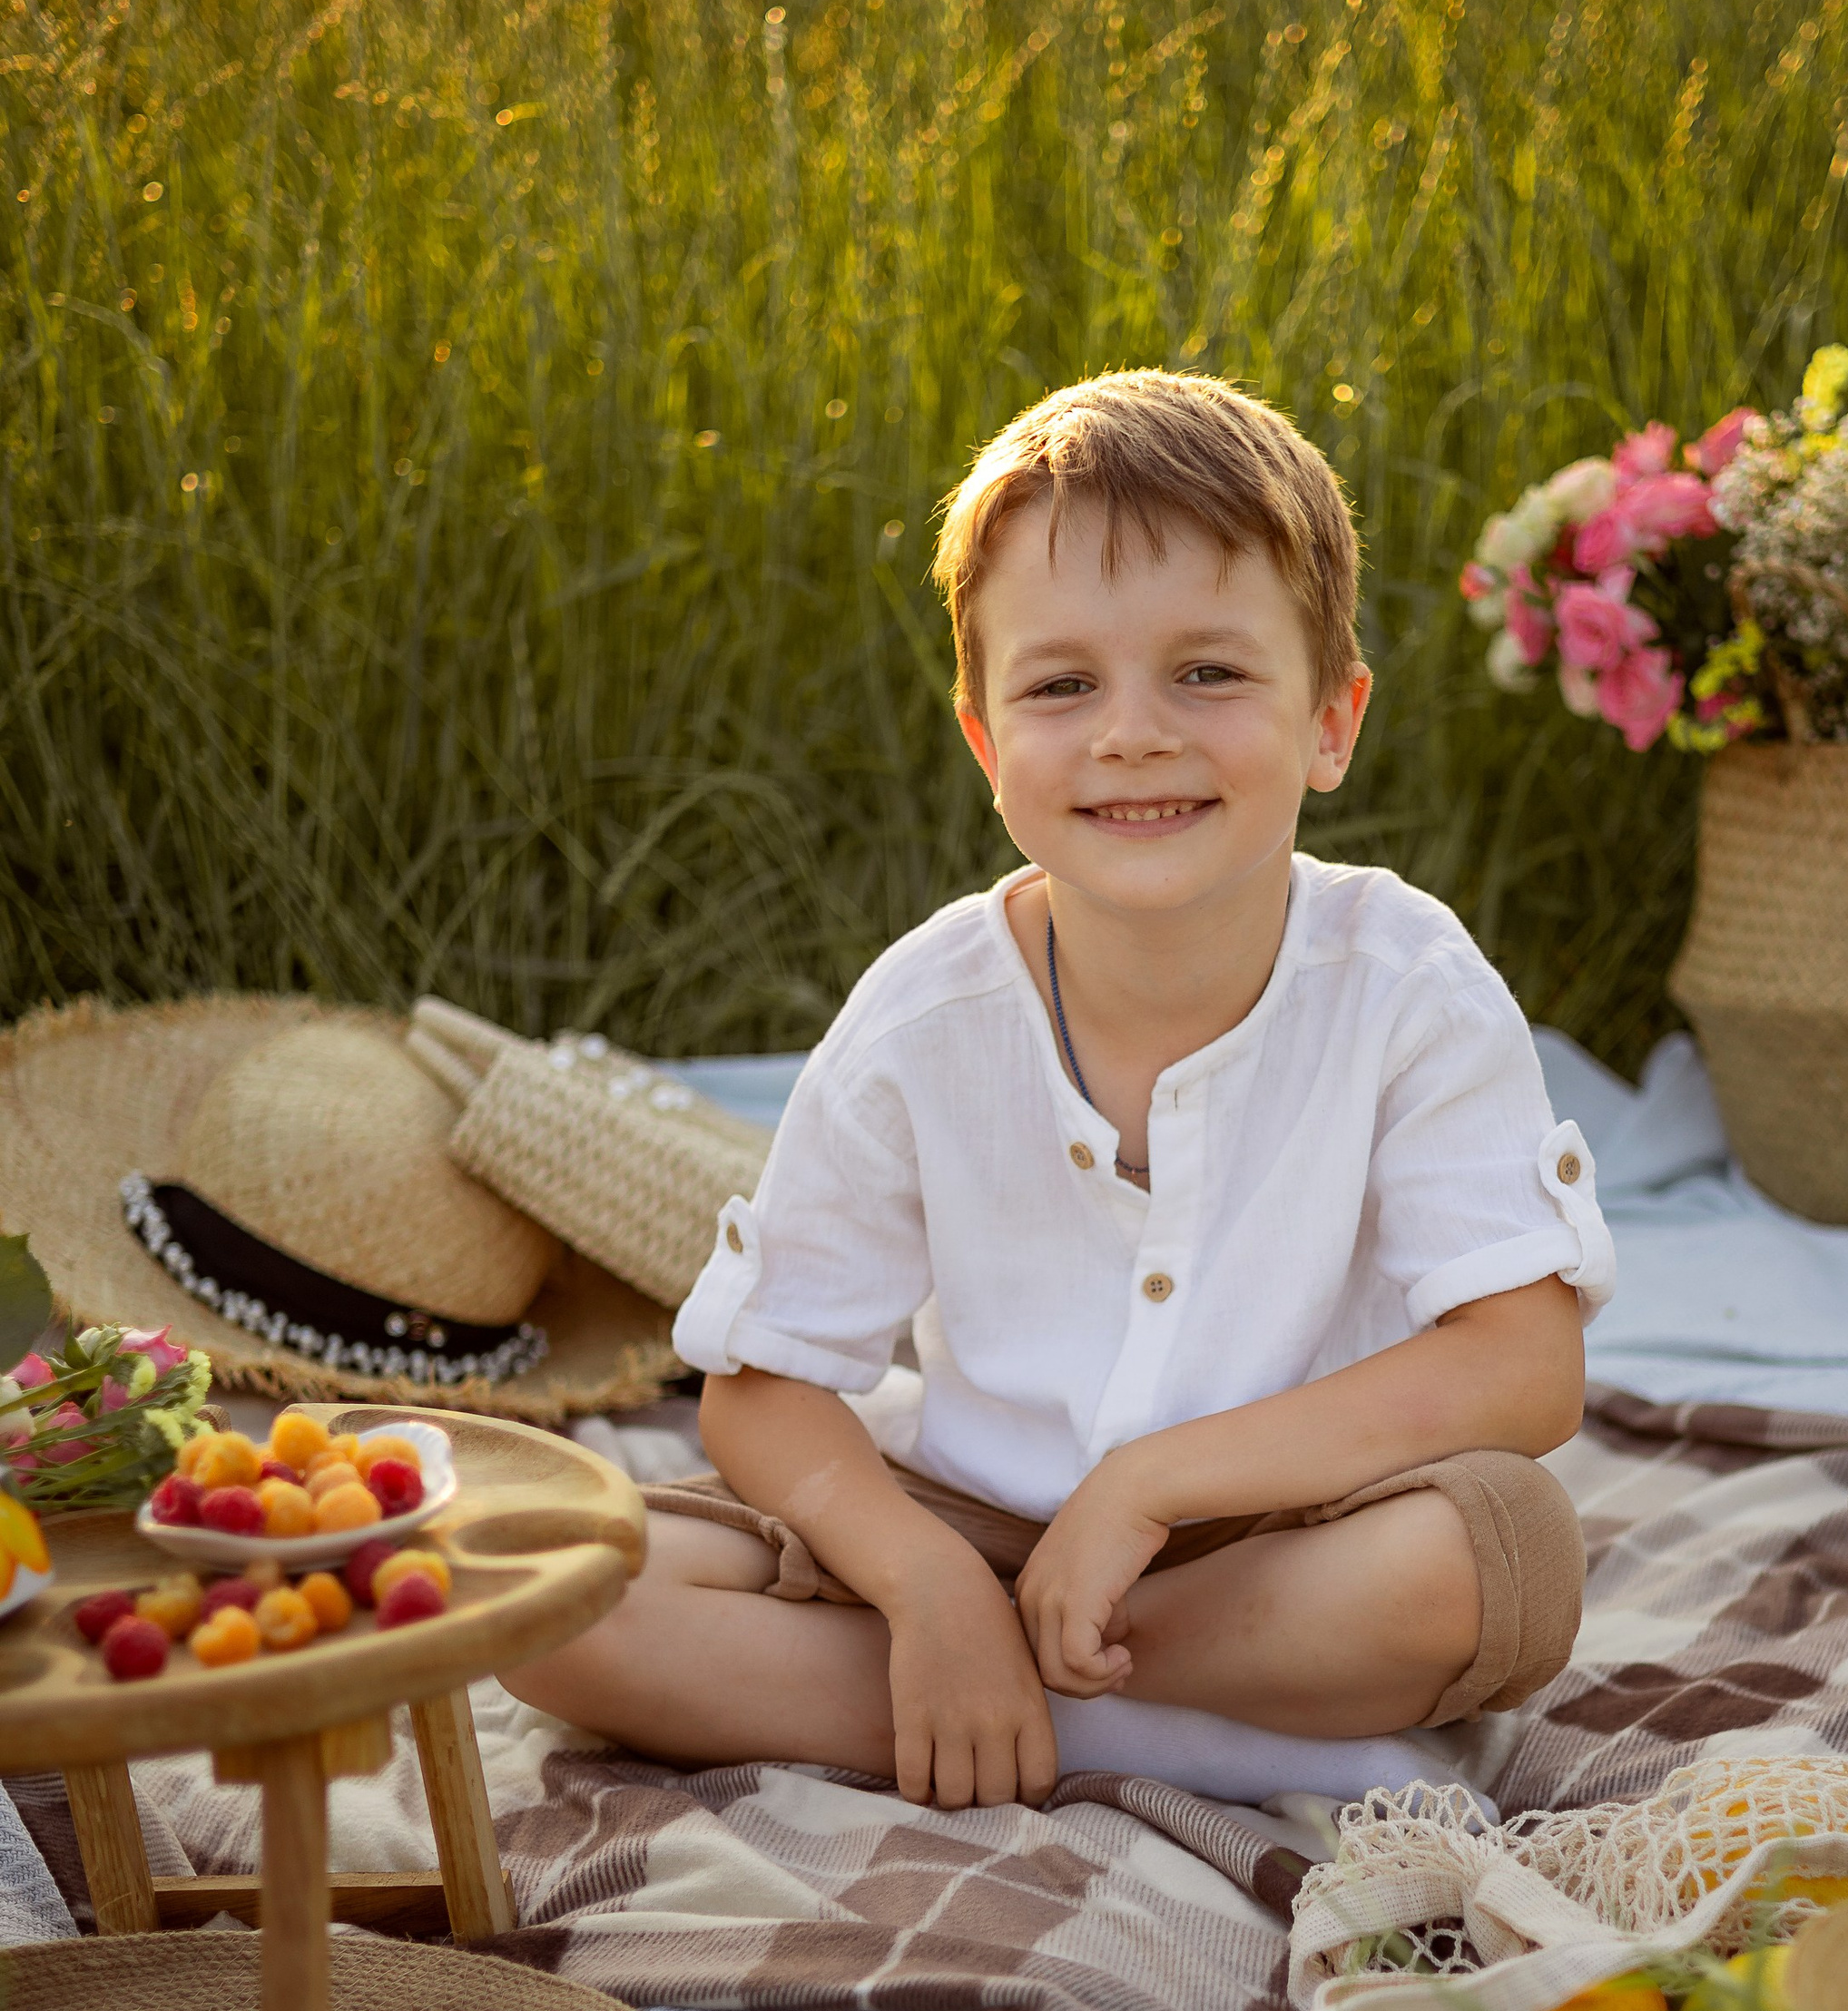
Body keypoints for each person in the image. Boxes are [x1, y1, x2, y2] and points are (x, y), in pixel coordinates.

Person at [504, 371, 1613, 1807]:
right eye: (1061, 683)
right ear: (985, 741)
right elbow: (763, 1390)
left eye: (1208, 672)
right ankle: (1122, 1716)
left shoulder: (1407, 983)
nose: (1131, 733)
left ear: (1333, 721)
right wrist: (926, 1590)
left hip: (1286, 1536)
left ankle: (1002, 1717)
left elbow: (1522, 1367)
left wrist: (1148, 1486)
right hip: (967, 1519)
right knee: (558, 1596)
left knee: (1496, 1558)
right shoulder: (926, 1015)